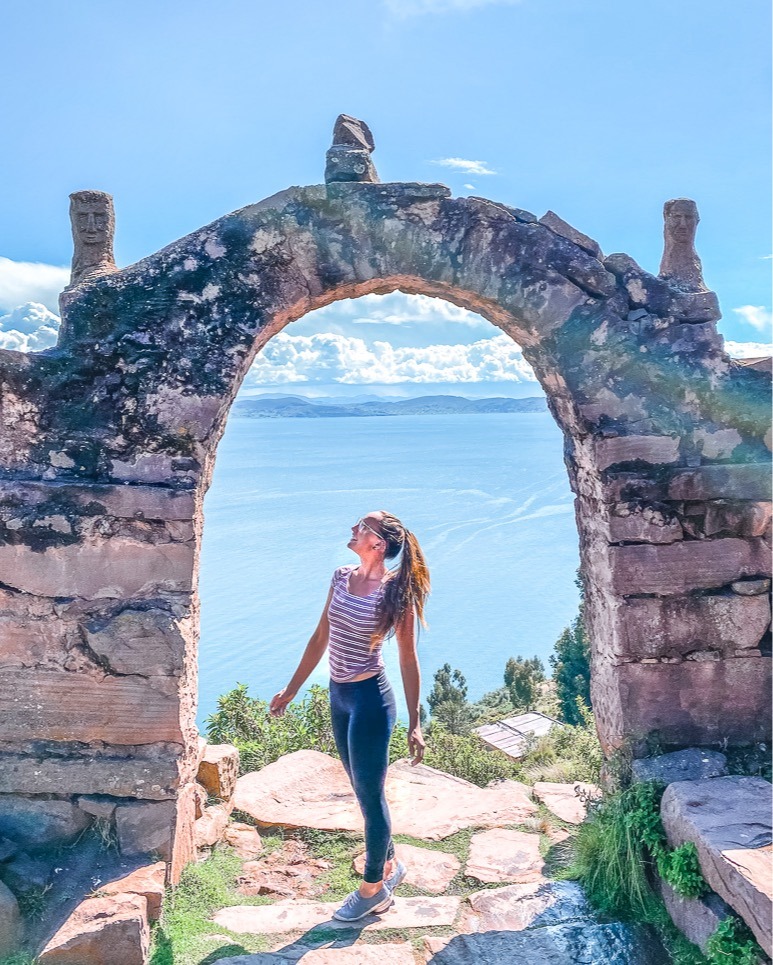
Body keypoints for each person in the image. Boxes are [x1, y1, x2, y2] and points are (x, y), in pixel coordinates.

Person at [269, 510, 430, 921]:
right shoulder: (341, 576)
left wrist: (415, 722)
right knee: (361, 789)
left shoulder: (395, 594)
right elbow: (320, 636)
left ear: (378, 543)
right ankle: (390, 864)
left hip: (371, 700)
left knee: (371, 796)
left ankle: (373, 889)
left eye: (362, 526)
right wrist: (292, 689)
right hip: (339, 695)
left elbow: (408, 659)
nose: (353, 529)